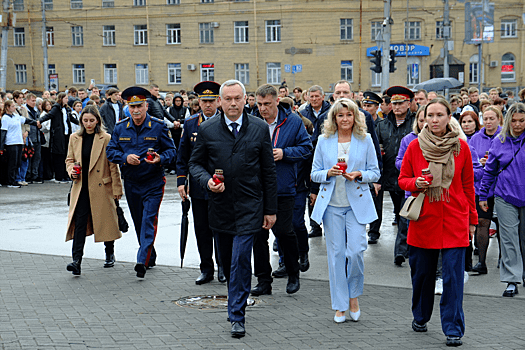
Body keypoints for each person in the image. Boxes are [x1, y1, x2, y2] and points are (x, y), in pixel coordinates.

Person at [188, 80, 277, 338]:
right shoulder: (207, 129)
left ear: (245, 98)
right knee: (227, 264)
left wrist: (270, 210)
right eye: (228, 99)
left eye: (238, 98)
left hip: (251, 205)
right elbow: (195, 165)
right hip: (221, 206)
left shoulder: (259, 128)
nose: (233, 103)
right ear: (220, 101)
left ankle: (237, 315)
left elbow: (268, 172)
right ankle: (233, 301)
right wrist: (207, 182)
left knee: (240, 259)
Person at [398, 98, 477, 347]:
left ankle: (453, 329)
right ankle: (420, 316)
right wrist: (415, 184)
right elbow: (402, 179)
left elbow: (468, 187)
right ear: (422, 119)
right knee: (422, 274)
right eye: (429, 115)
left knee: (453, 277)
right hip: (424, 219)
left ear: (448, 117)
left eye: (439, 115)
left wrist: (472, 220)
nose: (434, 120)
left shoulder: (462, 148)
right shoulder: (414, 147)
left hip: (455, 218)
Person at [310, 98, 380, 323]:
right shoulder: (323, 140)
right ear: (334, 118)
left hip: (356, 204)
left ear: (355, 116)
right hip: (331, 205)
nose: (345, 119)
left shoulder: (365, 139)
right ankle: (340, 305)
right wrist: (328, 173)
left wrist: (359, 174)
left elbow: (375, 173)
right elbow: (314, 173)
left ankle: (354, 297)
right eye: (340, 115)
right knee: (336, 255)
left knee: (356, 252)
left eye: (349, 115)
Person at [106, 86, 177, 278]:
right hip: (131, 182)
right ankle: (149, 254)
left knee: (148, 220)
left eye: (139, 106)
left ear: (146, 105)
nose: (136, 110)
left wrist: (160, 158)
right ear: (127, 107)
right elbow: (111, 152)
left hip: (153, 181)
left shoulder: (159, 126)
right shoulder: (121, 127)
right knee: (139, 222)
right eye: (132, 107)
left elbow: (172, 152)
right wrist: (125, 157)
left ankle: (141, 260)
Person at [250, 84, 312, 296]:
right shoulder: (252, 121)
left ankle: (293, 273)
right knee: (258, 236)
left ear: (277, 101)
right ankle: (263, 281)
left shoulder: (293, 120)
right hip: (257, 189)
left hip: (283, 186)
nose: (262, 108)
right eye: (259, 104)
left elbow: (306, 148)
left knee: (285, 232)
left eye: (267, 104)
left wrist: (284, 153)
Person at [64, 105, 123, 275]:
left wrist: (117, 188)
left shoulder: (106, 138)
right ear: (81, 121)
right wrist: (71, 171)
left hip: (101, 186)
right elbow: (69, 160)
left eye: (91, 120)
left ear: (97, 120)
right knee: (79, 224)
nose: (88, 124)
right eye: (85, 120)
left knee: (106, 221)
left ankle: (109, 252)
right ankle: (76, 261)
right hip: (81, 186)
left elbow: (113, 165)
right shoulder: (74, 138)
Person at [176, 81, 225, 285]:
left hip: (221, 185)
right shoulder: (190, 124)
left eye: (212, 101)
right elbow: (183, 156)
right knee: (202, 229)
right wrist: (181, 182)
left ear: (218, 101)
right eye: (204, 101)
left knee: (221, 229)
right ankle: (206, 268)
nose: (208, 105)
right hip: (198, 187)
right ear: (199, 102)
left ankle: (223, 266)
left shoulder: (226, 122)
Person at [479, 103, 525, 297]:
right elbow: (489, 170)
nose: (517, 125)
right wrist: (483, 195)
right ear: (507, 121)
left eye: (522, 121)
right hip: (505, 195)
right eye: (513, 121)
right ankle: (512, 280)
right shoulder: (500, 141)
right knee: (508, 239)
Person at [376, 86, 416, 265]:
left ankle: (400, 251)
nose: (397, 106)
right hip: (391, 177)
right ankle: (406, 247)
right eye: (394, 103)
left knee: (404, 213)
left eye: (401, 103)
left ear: (408, 104)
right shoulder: (382, 125)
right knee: (400, 212)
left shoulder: (415, 123)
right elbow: (377, 153)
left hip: (410, 177)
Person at [469, 106, 503, 275]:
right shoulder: (475, 139)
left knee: (504, 225)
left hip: (504, 187)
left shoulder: (505, 136)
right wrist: (481, 163)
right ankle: (481, 262)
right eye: (486, 119)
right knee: (482, 223)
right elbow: (471, 161)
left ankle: (504, 259)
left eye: (492, 119)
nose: (488, 122)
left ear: (499, 119)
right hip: (482, 188)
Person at [38, 92, 79, 183]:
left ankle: (66, 174)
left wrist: (81, 123)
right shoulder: (56, 108)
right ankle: (59, 176)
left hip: (66, 134)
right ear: (61, 99)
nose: (67, 100)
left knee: (66, 154)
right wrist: (40, 120)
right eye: (65, 98)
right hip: (58, 135)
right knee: (59, 155)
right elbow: (49, 116)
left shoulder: (67, 109)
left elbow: (71, 119)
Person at [0, 100, 39, 188]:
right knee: (12, 163)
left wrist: (36, 122)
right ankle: (10, 181)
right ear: (7, 108)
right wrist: (1, 146)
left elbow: (26, 120)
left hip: (19, 142)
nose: (15, 108)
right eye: (13, 106)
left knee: (18, 162)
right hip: (11, 142)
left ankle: (14, 179)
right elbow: (3, 132)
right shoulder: (5, 118)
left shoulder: (16, 116)